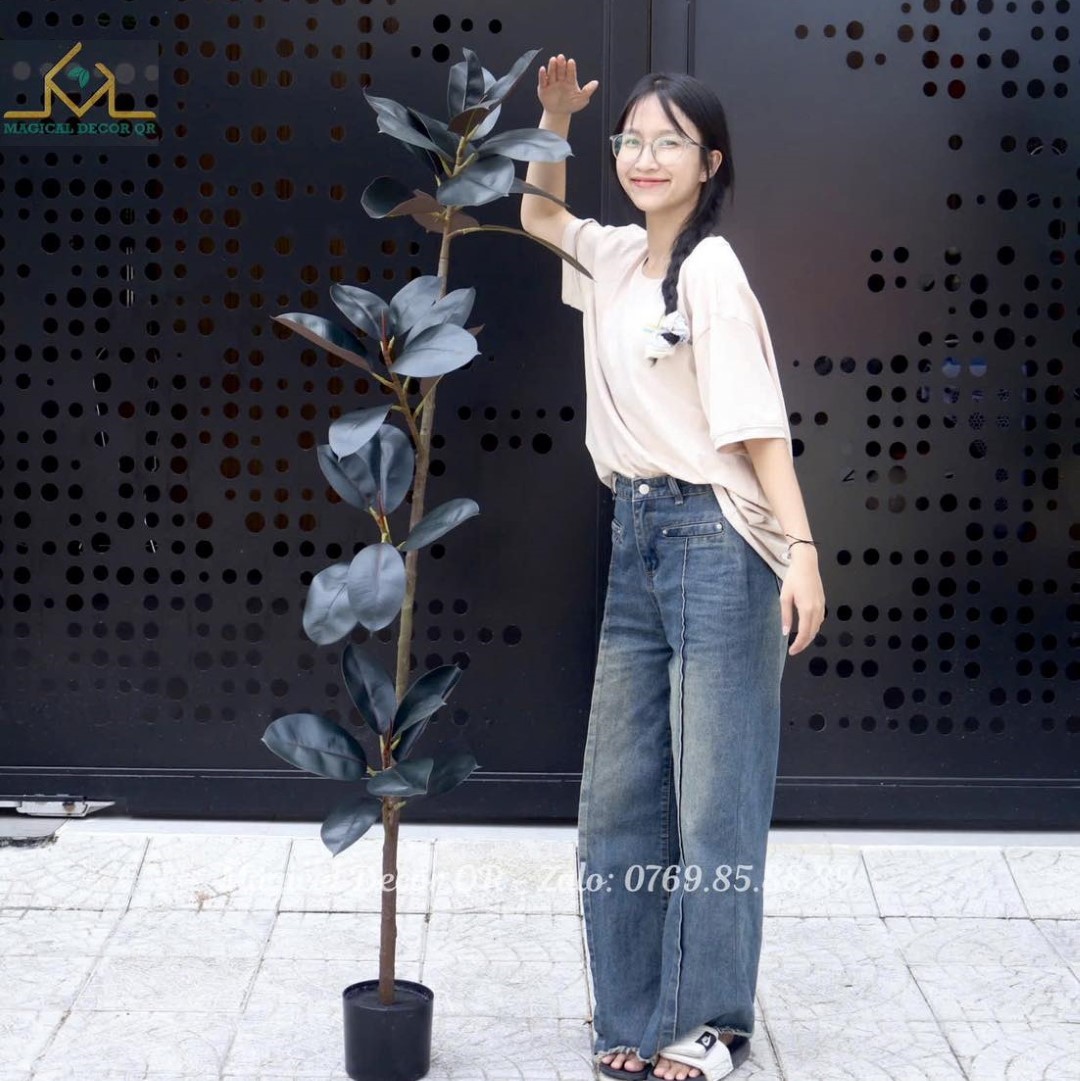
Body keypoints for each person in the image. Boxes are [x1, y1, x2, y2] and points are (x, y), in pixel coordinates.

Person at [519, 56, 826, 1081]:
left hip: (719, 541)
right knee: (620, 794)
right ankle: (632, 1011)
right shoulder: (615, 257)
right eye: (633, 140)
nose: (646, 158)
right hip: (635, 534)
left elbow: (758, 427)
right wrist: (555, 121)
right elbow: (538, 216)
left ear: (710, 161)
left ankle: (711, 1022)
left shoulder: (712, 270)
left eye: (670, 142)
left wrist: (802, 553)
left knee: (713, 798)